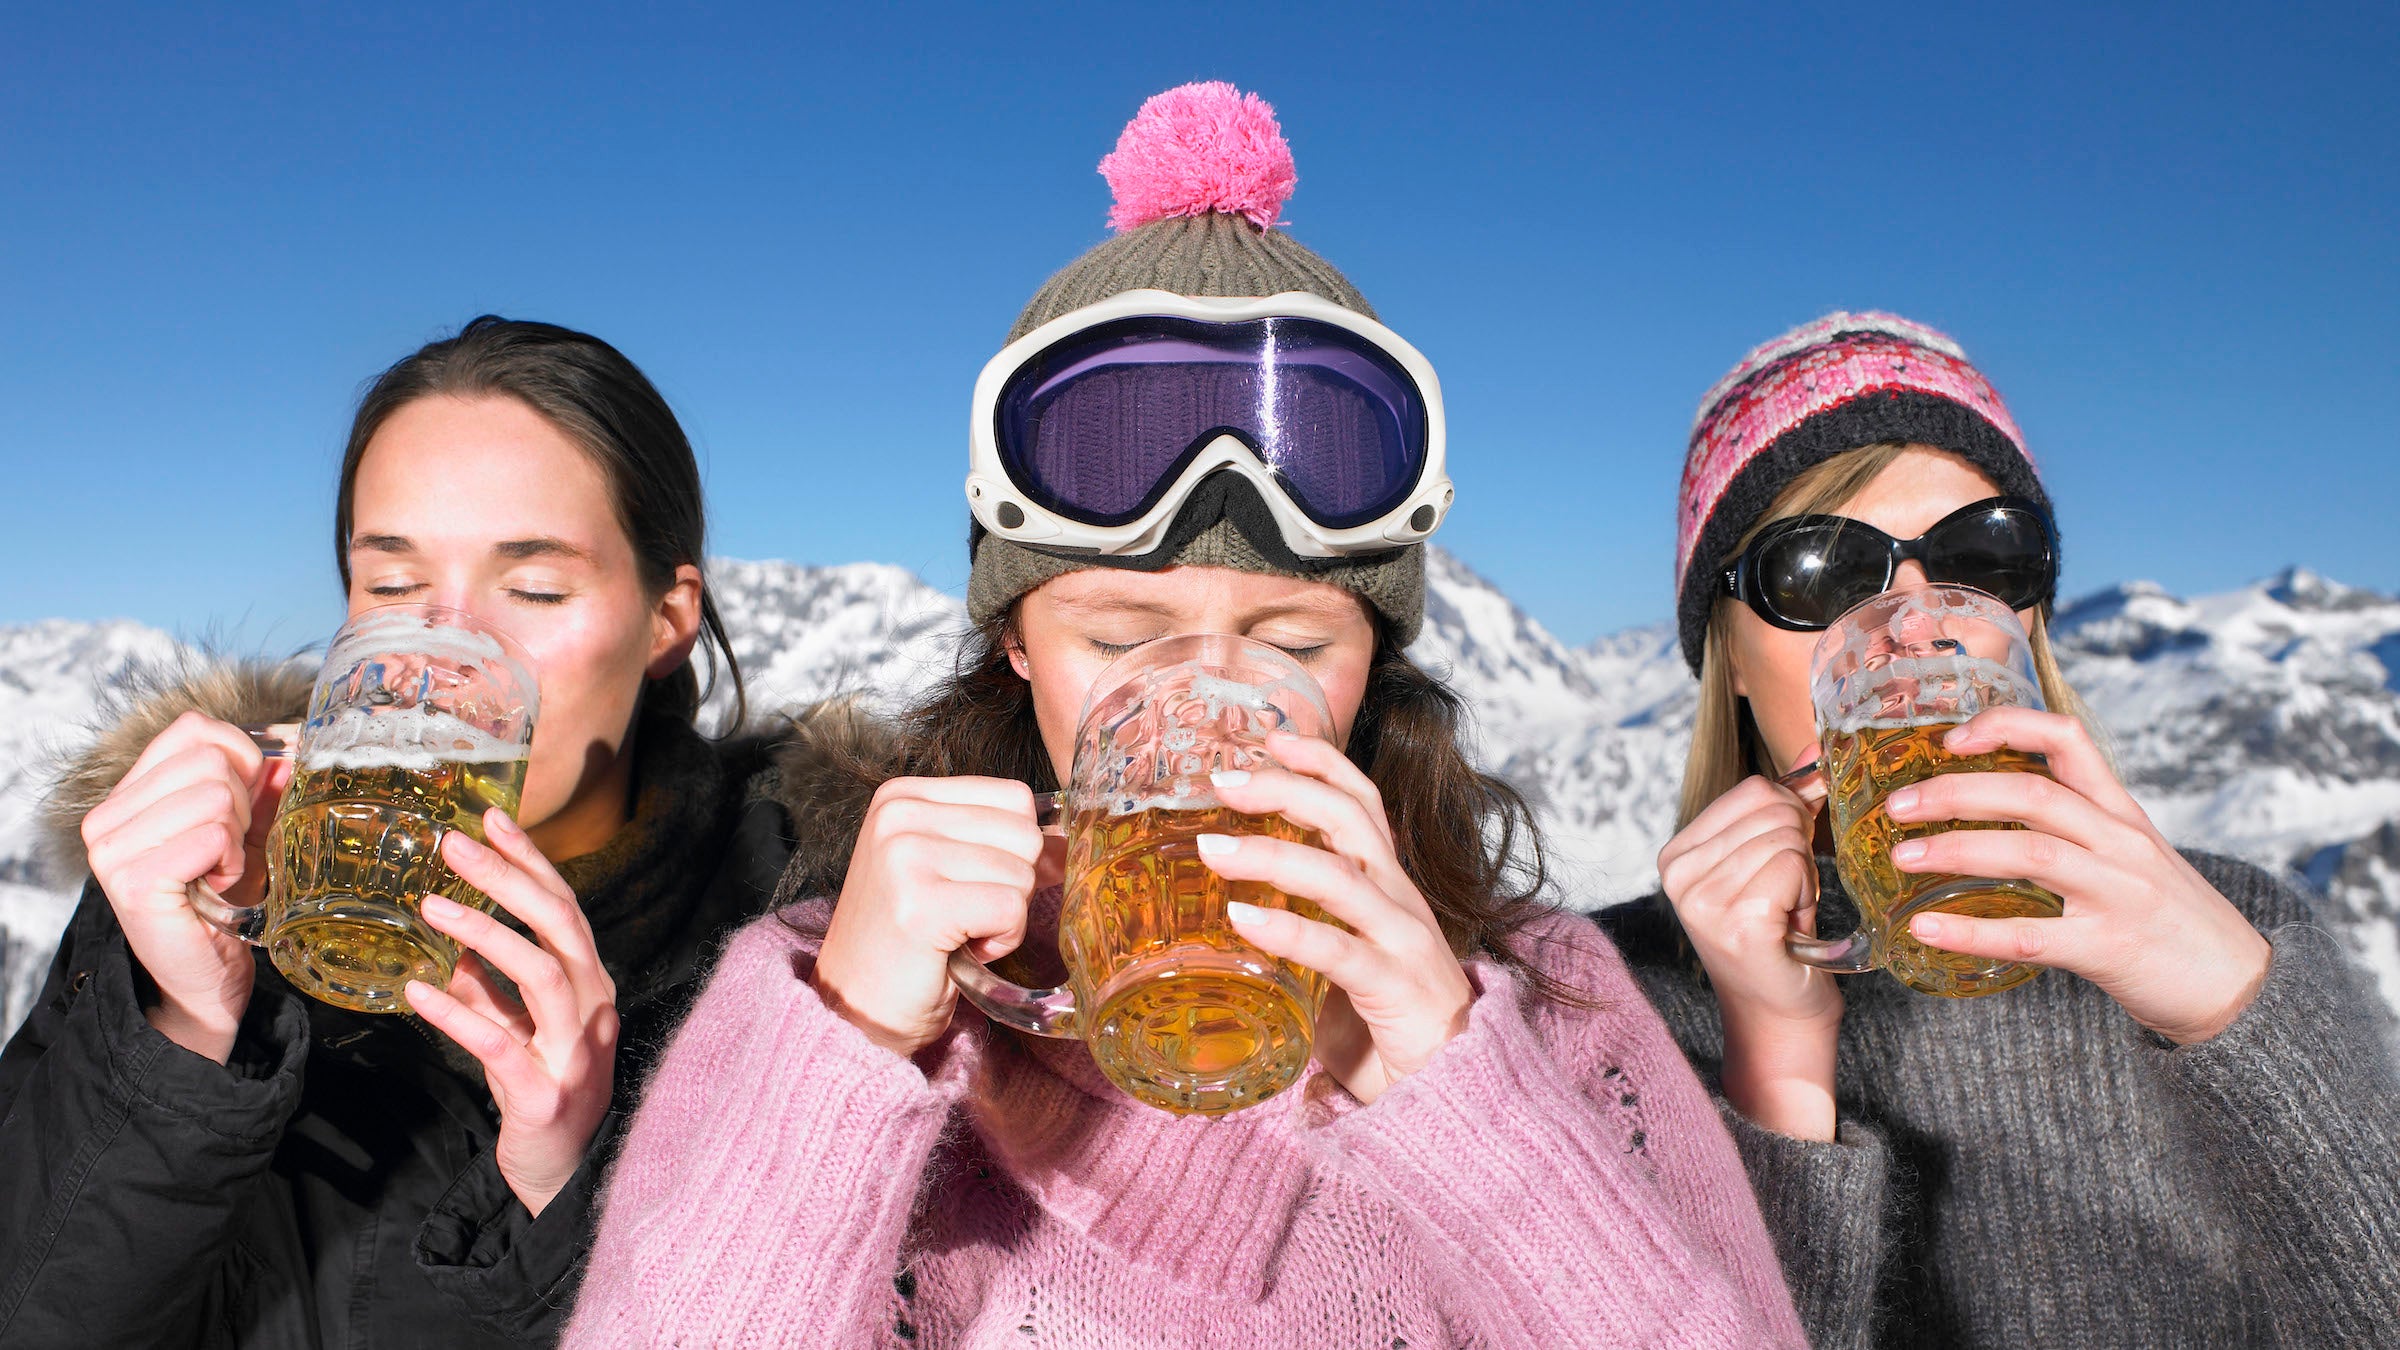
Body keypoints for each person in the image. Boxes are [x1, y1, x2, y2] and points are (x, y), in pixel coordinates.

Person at [562, 84, 1807, 1349]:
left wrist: (1454, 1089)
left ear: (1378, 658)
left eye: (1294, 641)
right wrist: (852, 1053)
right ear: (1015, 644)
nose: (1209, 708)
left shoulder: (1547, 1003)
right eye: (1119, 637)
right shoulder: (815, 995)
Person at [0, 317, 840, 1347]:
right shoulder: (195, 902)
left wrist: (556, 1199)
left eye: (533, 586)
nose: (442, 653)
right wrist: (176, 1040)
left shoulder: (814, 960)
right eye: (392, 587)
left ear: (666, 622)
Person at [1597, 311, 2400, 1346]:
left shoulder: (2240, 925)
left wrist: (2230, 1011)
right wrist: (1779, 1067)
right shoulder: (1603, 995)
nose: (1916, 622)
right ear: (1728, 659)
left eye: (1984, 555)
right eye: (1822, 572)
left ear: (2030, 619)